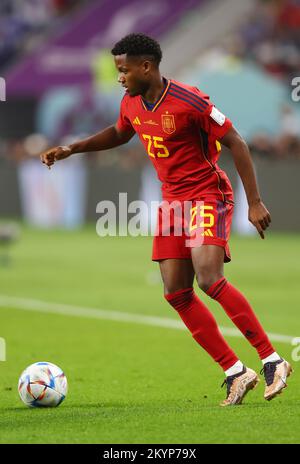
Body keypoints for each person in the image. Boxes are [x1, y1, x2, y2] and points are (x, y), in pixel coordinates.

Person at [40, 33, 292, 406]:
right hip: (173, 204)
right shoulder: (131, 102)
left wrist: (253, 202)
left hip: (208, 195)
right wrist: (73, 148)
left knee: (209, 278)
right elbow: (119, 133)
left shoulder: (190, 100)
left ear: (147, 67)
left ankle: (272, 360)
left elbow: (236, 141)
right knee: (176, 292)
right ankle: (236, 372)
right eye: (117, 72)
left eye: (124, 70)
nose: (120, 78)